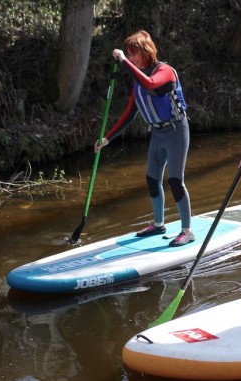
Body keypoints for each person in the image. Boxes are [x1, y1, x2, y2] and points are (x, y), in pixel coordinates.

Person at [95, 30, 194, 247]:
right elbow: (130, 113)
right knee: (151, 179)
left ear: (146, 51)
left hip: (176, 131)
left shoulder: (165, 71)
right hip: (158, 134)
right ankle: (159, 225)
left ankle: (187, 231)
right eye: (128, 55)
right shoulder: (138, 82)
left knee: (175, 181)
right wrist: (107, 138)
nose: (131, 59)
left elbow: (152, 84)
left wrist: (123, 62)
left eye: (134, 55)